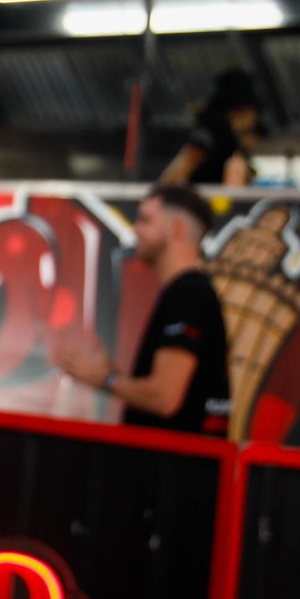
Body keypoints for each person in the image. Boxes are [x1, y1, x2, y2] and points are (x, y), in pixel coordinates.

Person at [56, 186, 230, 436]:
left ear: (176, 229)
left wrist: (105, 378)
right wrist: (111, 375)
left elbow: (165, 398)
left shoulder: (188, 293)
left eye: (145, 220)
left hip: (172, 460)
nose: (135, 230)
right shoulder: (187, 291)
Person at [160, 68, 263, 187]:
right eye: (250, 111)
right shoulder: (208, 137)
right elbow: (172, 178)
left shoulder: (233, 141)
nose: (253, 118)